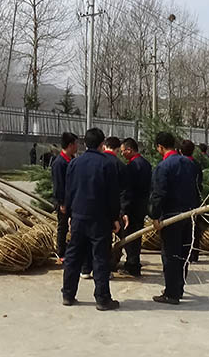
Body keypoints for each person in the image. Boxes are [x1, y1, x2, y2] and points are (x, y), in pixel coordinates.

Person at [62, 128, 120, 311]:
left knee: (73, 256)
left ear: (85, 143)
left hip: (79, 217)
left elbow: (69, 191)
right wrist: (115, 218)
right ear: (102, 144)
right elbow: (112, 195)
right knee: (100, 258)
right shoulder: (107, 164)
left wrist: (69, 215)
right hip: (99, 219)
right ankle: (102, 299)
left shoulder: (74, 163)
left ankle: (68, 295)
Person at [150, 132, 200, 305]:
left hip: (171, 217)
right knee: (183, 254)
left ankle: (171, 293)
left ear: (160, 147)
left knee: (170, 255)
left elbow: (159, 193)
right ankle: (179, 288)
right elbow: (198, 188)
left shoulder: (163, 167)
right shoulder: (190, 164)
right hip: (189, 214)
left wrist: (155, 215)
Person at [118, 137, 152, 277]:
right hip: (142, 206)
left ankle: (132, 265)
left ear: (129, 150)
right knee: (137, 236)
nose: (122, 154)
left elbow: (128, 191)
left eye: (123, 151)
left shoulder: (132, 167)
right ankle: (134, 263)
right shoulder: (146, 164)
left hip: (132, 207)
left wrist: (124, 210)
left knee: (130, 236)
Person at [51, 132, 79, 261]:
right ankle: (61, 252)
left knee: (75, 226)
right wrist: (61, 202)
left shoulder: (72, 160)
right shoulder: (59, 163)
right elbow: (58, 184)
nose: (77, 146)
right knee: (63, 227)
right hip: (64, 201)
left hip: (74, 200)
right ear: (70, 145)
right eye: (76, 144)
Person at [102, 137, 127, 272]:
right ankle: (111, 264)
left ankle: (91, 266)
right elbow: (124, 191)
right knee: (116, 237)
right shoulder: (120, 165)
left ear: (105, 146)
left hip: (97, 208)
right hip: (115, 209)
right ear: (117, 149)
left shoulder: (98, 162)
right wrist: (122, 212)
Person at [180, 139, 204, 263]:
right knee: (194, 228)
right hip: (194, 200)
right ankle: (193, 254)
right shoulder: (196, 164)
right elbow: (200, 183)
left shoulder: (179, 164)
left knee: (181, 228)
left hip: (180, 201)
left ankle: (183, 253)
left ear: (180, 151)